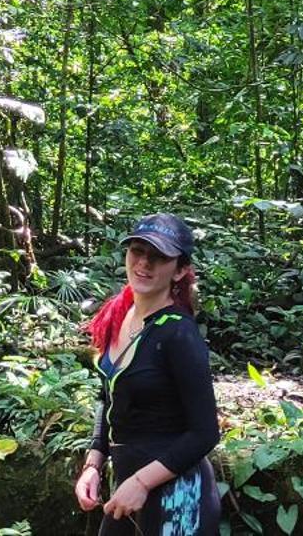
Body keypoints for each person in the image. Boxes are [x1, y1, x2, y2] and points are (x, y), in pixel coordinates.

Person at [77, 213, 221, 535]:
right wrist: (94, 463)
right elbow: (108, 396)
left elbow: (206, 432)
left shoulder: (178, 334)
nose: (144, 263)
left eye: (158, 257)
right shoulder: (119, 313)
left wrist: (141, 482)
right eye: (137, 251)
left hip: (179, 500)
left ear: (180, 270)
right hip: (128, 489)